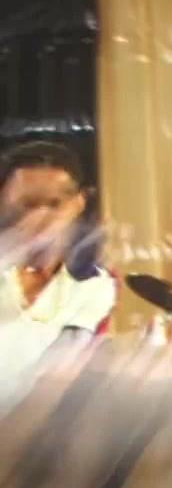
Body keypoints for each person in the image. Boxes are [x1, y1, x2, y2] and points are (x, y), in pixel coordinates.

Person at [0, 140, 117, 397]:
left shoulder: (95, 286)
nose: (41, 217)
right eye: (28, 204)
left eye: (55, 204)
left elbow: (56, 383)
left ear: (79, 204)